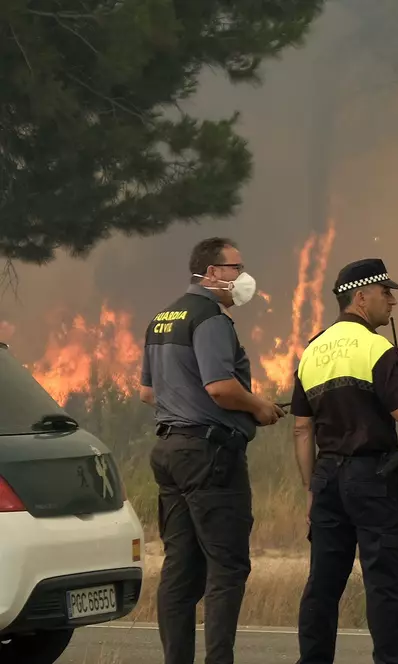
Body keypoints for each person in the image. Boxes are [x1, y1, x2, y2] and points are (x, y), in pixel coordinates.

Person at [139, 237, 286, 664]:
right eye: (235, 268)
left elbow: (149, 392)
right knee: (227, 568)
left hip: (170, 451)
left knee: (180, 571)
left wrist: (187, 403)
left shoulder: (162, 318)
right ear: (210, 272)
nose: (242, 277)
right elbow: (221, 387)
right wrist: (258, 405)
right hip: (210, 457)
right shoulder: (211, 319)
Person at [291, 258, 398, 664]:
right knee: (383, 586)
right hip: (372, 480)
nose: (391, 301)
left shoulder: (311, 351)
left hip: (326, 481)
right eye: (384, 292)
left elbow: (302, 430)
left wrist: (310, 489)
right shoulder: (378, 349)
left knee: (322, 586)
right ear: (360, 297)